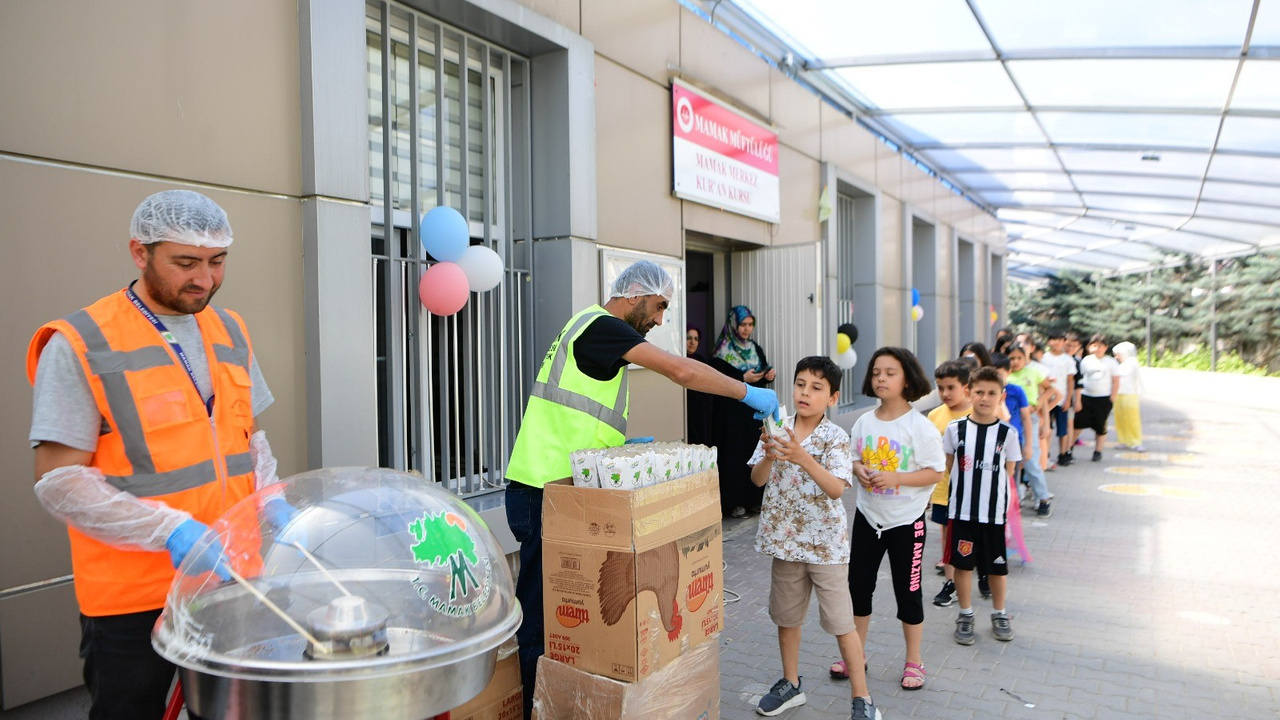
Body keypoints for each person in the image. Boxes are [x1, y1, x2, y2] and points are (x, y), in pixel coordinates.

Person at [27, 190, 282, 720]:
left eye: (217, 262)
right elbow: (59, 481)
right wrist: (170, 532)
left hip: (228, 578)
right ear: (139, 253)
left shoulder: (230, 327)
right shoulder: (82, 342)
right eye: (186, 263)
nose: (205, 280)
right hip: (133, 597)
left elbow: (247, 440)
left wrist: (271, 498)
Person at [504, 261, 780, 719]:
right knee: (540, 621)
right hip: (542, 493)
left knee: (560, 613)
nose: (659, 319)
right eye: (659, 306)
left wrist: (614, 448)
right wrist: (745, 392)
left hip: (558, 489)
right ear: (634, 293)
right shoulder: (603, 328)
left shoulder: (590, 329)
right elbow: (681, 371)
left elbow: (577, 412)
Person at [748, 357, 880, 720]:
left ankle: (863, 698)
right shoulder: (775, 428)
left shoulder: (836, 437)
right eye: (801, 383)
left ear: (833, 397)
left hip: (826, 548)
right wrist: (771, 456)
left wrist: (801, 455)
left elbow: (837, 488)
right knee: (787, 618)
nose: (806, 392)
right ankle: (791, 684)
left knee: (842, 623)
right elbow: (757, 480)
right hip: (785, 544)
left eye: (816, 387)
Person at [842, 347, 944, 692]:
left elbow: (935, 472)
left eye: (890, 372)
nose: (881, 378)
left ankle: (914, 661)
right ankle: (856, 656)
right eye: (876, 373)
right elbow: (853, 459)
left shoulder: (921, 426)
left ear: (907, 379)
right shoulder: (863, 422)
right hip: (868, 517)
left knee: (909, 593)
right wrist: (860, 471)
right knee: (858, 588)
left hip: (907, 522)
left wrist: (897, 478)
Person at [942, 366, 1023, 645]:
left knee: (997, 568)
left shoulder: (1007, 433)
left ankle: (999, 613)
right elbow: (949, 466)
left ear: (1001, 396)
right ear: (969, 393)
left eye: (991, 393)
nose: (985, 398)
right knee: (963, 566)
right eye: (979, 392)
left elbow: (1009, 471)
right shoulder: (956, 430)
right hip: (962, 512)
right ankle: (965, 614)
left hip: (994, 515)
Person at [709, 305, 777, 518]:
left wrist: (768, 375)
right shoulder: (723, 351)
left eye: (750, 325)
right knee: (734, 455)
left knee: (755, 453)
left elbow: (762, 369)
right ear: (733, 325)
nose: (747, 329)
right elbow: (718, 380)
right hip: (731, 416)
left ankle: (754, 500)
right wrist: (742, 380)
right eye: (743, 325)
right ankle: (734, 503)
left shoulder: (754, 348)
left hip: (752, 414)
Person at [927, 361, 972, 609]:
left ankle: (983, 573)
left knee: (973, 535)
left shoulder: (977, 413)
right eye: (940, 388)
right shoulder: (935, 415)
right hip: (944, 490)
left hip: (972, 492)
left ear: (966, 388)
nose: (944, 394)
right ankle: (950, 583)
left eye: (950, 388)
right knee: (948, 536)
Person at [1006, 345, 1054, 518]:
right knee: (1011, 462)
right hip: (1009, 420)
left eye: (1019, 358)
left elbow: (1051, 390)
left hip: (1029, 420)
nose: (1016, 362)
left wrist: (1037, 403)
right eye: (1012, 358)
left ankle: (1043, 498)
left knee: (1031, 460)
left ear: (1026, 358)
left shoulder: (1033, 372)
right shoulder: (1005, 376)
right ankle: (1014, 500)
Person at [1072, 334, 1120, 462]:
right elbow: (1080, 379)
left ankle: (1098, 451)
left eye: (1100, 346)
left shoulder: (1111, 362)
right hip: (1086, 397)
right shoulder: (1086, 360)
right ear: (1089, 347)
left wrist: (1112, 398)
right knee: (1078, 424)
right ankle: (1069, 448)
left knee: (1100, 426)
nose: (1097, 348)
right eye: (1094, 345)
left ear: (1105, 347)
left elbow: (1116, 381)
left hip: (1103, 398)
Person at [1043, 332, 1077, 466]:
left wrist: (1069, 398)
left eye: (1060, 340)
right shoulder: (1044, 358)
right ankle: (1046, 454)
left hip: (1062, 399)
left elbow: (1070, 381)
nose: (1057, 343)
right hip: (1046, 398)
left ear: (1064, 342)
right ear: (1048, 342)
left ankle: (1063, 454)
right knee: (1047, 427)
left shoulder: (1068, 359)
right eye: (1054, 340)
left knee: (1063, 428)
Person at [1112, 341, 1144, 451]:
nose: (1116, 357)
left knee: (1132, 419)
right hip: (1118, 394)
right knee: (1120, 419)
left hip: (1130, 394)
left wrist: (1139, 392)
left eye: (1118, 354)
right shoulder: (1120, 364)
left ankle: (1136, 441)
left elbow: (1138, 379)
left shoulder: (1132, 363)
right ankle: (1123, 440)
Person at [685, 325, 713, 445]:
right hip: (685, 410)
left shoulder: (700, 360)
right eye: (688, 338)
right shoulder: (679, 359)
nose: (692, 342)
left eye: (696, 339)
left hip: (700, 412)